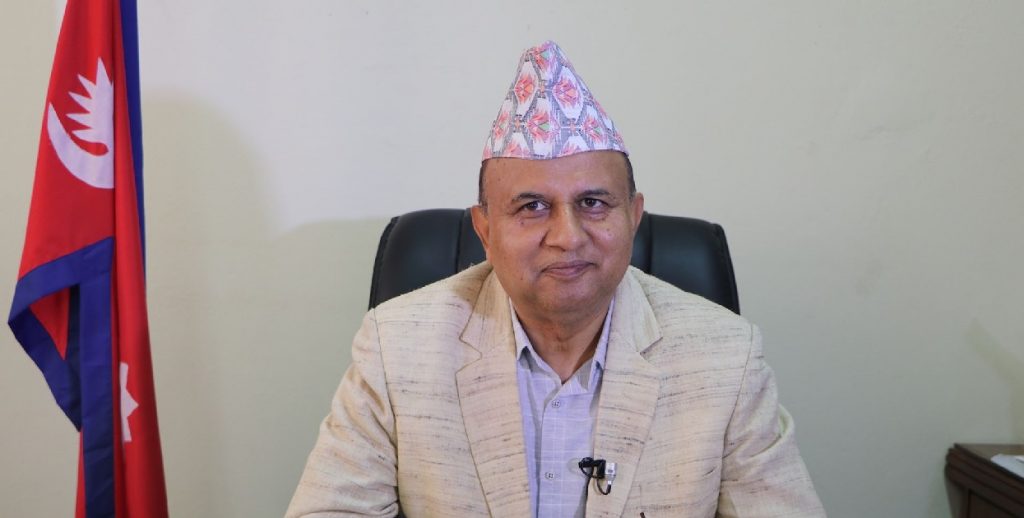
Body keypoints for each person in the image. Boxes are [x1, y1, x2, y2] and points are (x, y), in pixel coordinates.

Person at [286, 41, 825, 518]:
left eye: (593, 203)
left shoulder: (726, 358)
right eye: (532, 206)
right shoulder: (396, 346)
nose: (567, 237)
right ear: (485, 230)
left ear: (633, 217)